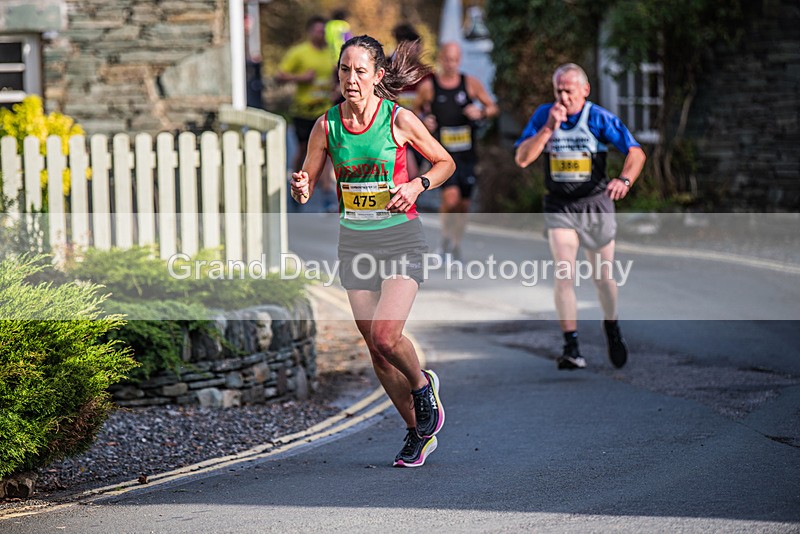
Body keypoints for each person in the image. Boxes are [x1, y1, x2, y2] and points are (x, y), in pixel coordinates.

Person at [290, 35, 455, 467]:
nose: (351, 79)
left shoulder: (398, 119)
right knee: (375, 349)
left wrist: (416, 185)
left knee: (387, 334)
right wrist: (303, 185)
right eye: (345, 70)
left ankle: (422, 387)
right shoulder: (326, 126)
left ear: (378, 76)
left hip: (401, 237)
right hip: (356, 242)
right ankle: (416, 432)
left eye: (360, 71)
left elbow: (444, 163)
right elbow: (308, 174)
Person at [514, 63, 646, 370]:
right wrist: (548, 128)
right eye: (558, 90)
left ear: (584, 90)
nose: (563, 96)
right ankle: (571, 346)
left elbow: (636, 152)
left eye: (569, 91)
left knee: (603, 278)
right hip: (560, 206)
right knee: (564, 273)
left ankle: (612, 326)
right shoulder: (545, 115)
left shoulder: (599, 118)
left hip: (596, 204)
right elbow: (522, 159)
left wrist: (624, 180)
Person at [415, 41, 498, 262]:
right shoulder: (429, 87)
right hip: (443, 156)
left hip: (467, 155)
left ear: (459, 60)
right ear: (441, 59)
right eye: (447, 59)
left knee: (464, 204)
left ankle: (456, 246)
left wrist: (480, 112)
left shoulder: (469, 84)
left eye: (455, 59)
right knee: (450, 199)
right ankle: (444, 241)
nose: (451, 64)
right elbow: (413, 112)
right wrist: (425, 120)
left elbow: (492, 107)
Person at [276, 16, 338, 210]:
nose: (321, 34)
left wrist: (337, 89)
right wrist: (300, 77)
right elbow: (279, 76)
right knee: (304, 151)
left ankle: (328, 194)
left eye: (324, 31)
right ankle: (295, 186)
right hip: (303, 111)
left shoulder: (331, 53)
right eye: (318, 30)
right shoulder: (299, 52)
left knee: (329, 152)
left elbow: (337, 75)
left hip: (325, 111)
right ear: (310, 31)